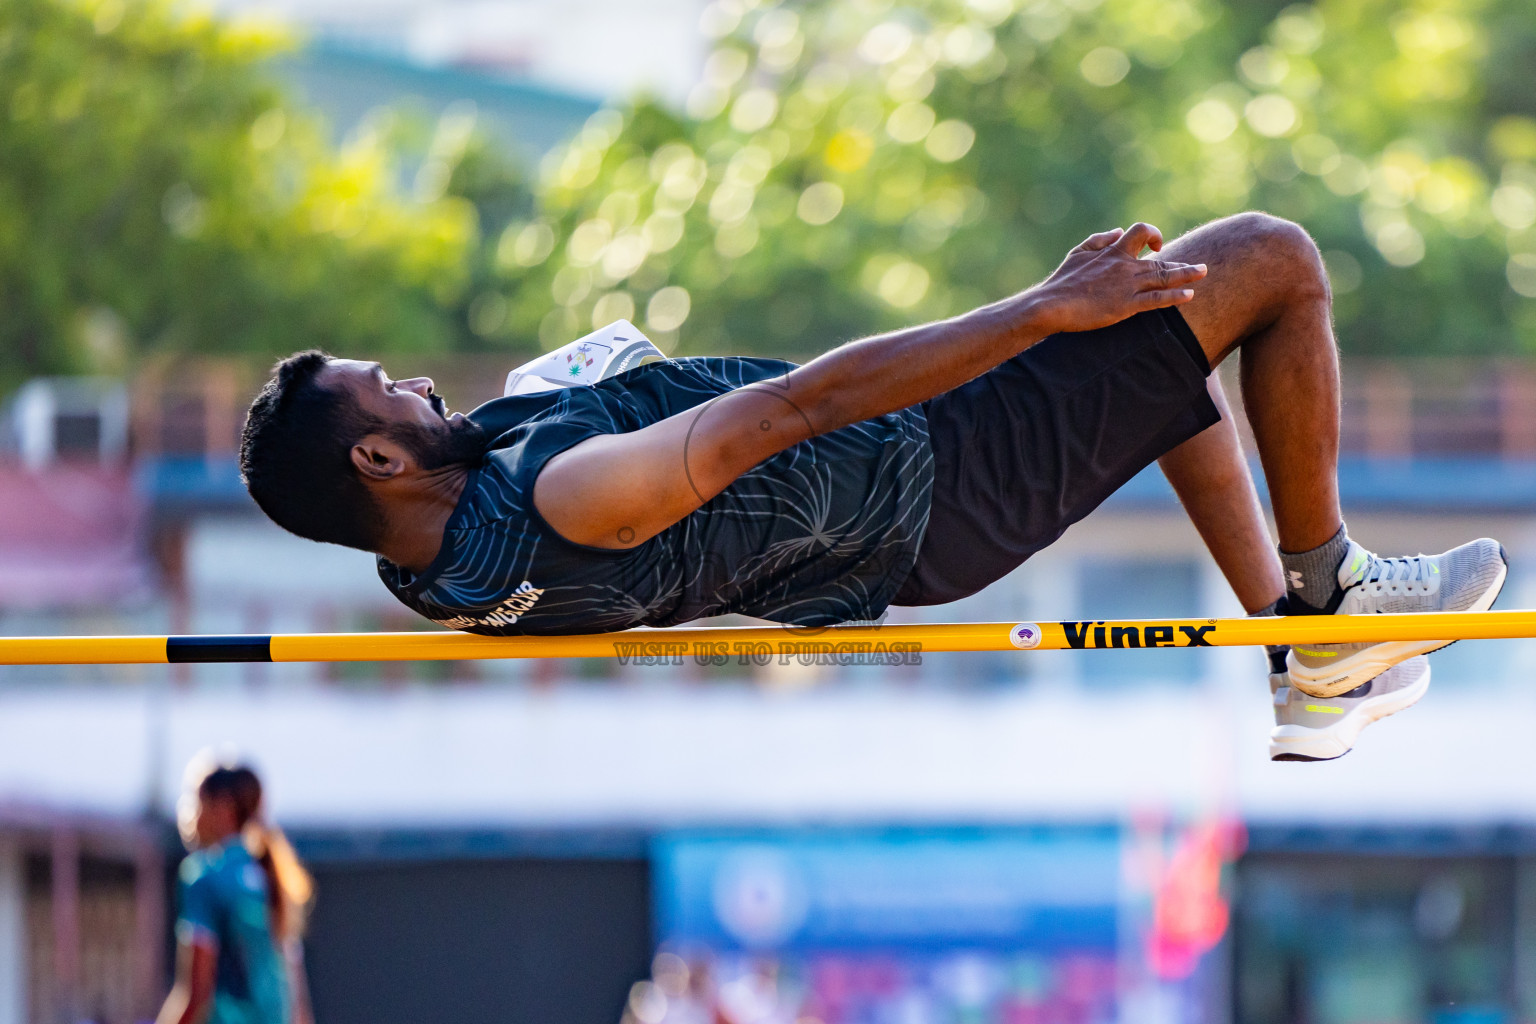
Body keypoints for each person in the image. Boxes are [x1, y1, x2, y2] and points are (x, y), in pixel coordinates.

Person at [239, 213, 1507, 759]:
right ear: (376, 459)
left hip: (892, 510)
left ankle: (1304, 659)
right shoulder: (573, 496)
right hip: (937, 476)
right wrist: (1039, 307)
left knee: (1165, 352)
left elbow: (499, 489)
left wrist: (582, 383)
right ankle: (1334, 599)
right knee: (1261, 264)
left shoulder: (428, 565)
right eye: (391, 390)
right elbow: (801, 406)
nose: (417, 385)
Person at [158, 759, 314, 1024]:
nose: (190, 813)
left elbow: (197, 995)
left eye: (198, 802)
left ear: (223, 809)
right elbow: (296, 996)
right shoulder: (270, 874)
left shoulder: (204, 876)